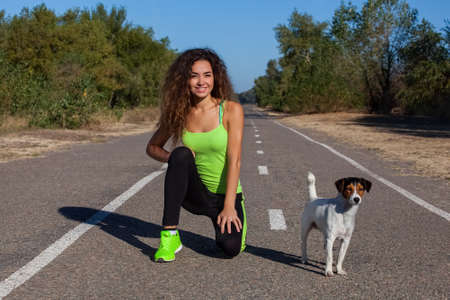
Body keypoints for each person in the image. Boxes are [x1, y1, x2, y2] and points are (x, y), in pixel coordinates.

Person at [146, 48, 246, 262]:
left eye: (207, 75)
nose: (201, 81)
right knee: (181, 154)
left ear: (215, 78)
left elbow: (234, 160)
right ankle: (169, 237)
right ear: (185, 80)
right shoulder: (180, 112)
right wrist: (171, 159)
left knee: (230, 249)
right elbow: (152, 147)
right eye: (194, 75)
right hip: (197, 192)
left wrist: (229, 206)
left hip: (225, 196)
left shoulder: (230, 110)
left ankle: (225, 222)